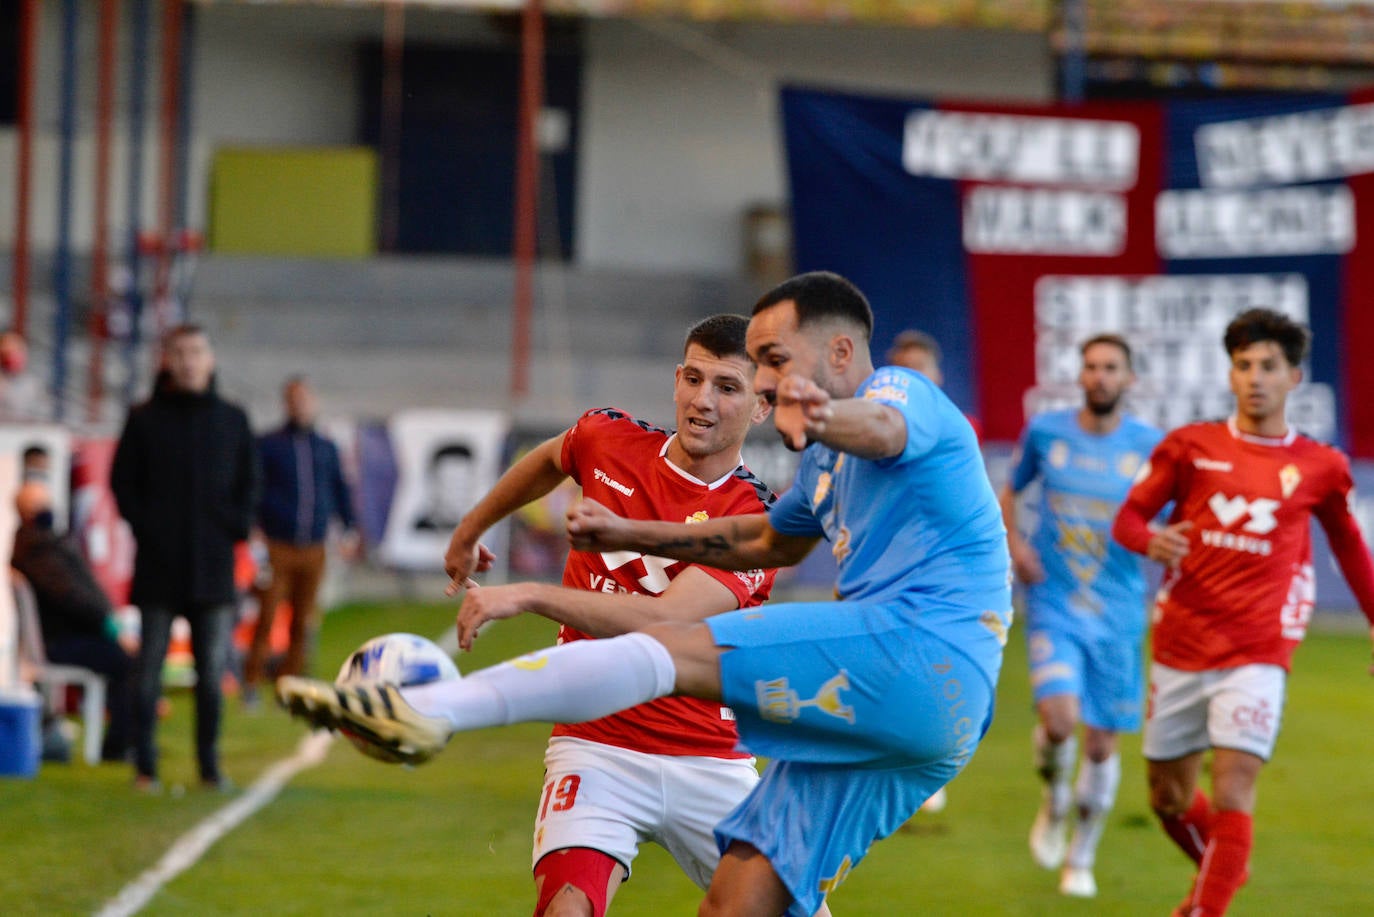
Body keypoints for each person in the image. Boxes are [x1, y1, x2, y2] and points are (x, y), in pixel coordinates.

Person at [279, 271, 1013, 916]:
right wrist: (627, 528)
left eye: (769, 364)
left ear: (840, 355)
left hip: (924, 654)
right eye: (745, 368)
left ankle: (431, 708)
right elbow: (766, 541)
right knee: (739, 904)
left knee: (666, 645)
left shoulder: (895, 393)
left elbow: (884, 429)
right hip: (908, 721)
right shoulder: (817, 468)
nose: (759, 383)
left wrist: (822, 413)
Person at [441, 313, 783, 917]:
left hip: (711, 760)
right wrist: (471, 529)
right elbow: (550, 459)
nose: (703, 401)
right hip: (597, 745)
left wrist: (527, 595)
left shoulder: (757, 521)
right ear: (677, 379)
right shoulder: (608, 439)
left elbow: (663, 624)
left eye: (727, 387)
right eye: (694, 378)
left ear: (760, 407)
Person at [1111, 308, 1374, 917]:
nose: (1255, 377)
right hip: (1180, 641)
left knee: (1233, 786)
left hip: (1258, 649)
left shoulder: (1321, 466)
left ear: (1294, 377)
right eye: (1243, 365)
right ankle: (1226, 861)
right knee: (1167, 797)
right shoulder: (1189, 446)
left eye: (1268, 366)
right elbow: (1126, 518)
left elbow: (1349, 547)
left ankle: (1206, 905)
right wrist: (1149, 540)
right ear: (1230, 375)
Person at [1000, 333, 1162, 898]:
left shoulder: (1150, 446)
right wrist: (1016, 545)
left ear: (1129, 379)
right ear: (1081, 375)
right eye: (1090, 366)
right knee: (1061, 720)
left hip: (1118, 613)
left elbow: (1168, 522)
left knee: (1099, 746)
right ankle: (1054, 798)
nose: (1098, 376)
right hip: (1055, 602)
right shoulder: (1048, 432)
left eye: (1110, 367)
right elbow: (1009, 488)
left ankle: (1082, 855)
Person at [111, 324, 259, 792]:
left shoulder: (232, 419)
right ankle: (145, 766)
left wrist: (233, 525)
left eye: (196, 351)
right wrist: (148, 527)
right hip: (158, 568)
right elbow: (122, 484)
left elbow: (250, 483)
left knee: (212, 674)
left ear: (210, 359)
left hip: (214, 568)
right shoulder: (144, 419)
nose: (189, 360)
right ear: (167, 361)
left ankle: (209, 766)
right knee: (148, 672)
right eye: (179, 352)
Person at [243, 376, 360, 709]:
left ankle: (289, 686)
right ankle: (251, 682)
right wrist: (255, 529)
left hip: (314, 546)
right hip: (278, 544)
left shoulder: (325, 447)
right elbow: (254, 488)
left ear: (314, 403)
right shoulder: (268, 444)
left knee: (303, 619)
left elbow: (339, 488)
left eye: (306, 399)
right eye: (295, 399)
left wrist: (348, 527)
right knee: (266, 616)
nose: (301, 406)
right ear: (286, 404)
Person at [11, 480, 135, 762]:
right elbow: (73, 598)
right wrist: (109, 628)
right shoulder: (37, 549)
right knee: (127, 662)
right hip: (62, 641)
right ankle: (120, 743)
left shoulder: (42, 544)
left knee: (128, 659)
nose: (47, 510)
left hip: (71, 635)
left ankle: (126, 739)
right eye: (40, 505)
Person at [413, 444, 476, 532]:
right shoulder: (420, 528)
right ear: (434, 483)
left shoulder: (473, 527)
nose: (459, 494)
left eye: (463, 486)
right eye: (452, 484)